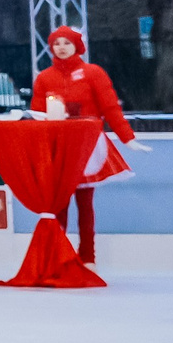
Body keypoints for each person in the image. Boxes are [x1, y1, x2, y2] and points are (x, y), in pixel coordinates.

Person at [29, 26, 136, 264]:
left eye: (67, 43)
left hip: (87, 144)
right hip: (59, 145)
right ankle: (58, 255)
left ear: (77, 46)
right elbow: (37, 114)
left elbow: (110, 107)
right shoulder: (45, 77)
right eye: (57, 43)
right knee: (59, 203)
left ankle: (88, 256)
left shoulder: (93, 73)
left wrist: (126, 136)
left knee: (85, 203)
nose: (62, 48)